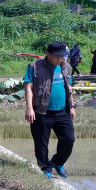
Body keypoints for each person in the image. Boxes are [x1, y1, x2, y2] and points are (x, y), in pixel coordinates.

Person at [24, 41, 76, 178]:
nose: (60, 59)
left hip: (62, 111)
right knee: (41, 143)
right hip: (41, 112)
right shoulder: (34, 67)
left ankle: (57, 162)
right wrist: (29, 109)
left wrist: (72, 107)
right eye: (57, 57)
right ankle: (45, 169)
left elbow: (69, 88)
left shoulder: (65, 67)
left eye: (62, 56)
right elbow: (28, 88)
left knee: (69, 139)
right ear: (48, 54)